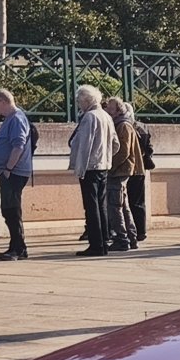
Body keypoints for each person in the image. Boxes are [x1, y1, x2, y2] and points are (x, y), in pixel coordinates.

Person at [68, 84, 118, 257]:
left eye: (79, 100)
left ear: (86, 100)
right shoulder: (105, 116)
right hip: (103, 165)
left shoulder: (90, 117)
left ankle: (96, 244)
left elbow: (85, 146)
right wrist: (107, 157)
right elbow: (115, 143)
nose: (78, 104)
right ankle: (104, 241)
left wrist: (79, 169)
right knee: (101, 205)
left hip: (90, 167)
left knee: (91, 206)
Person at [0, 88, 33, 260]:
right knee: (8, 210)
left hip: (13, 172)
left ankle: (19, 248)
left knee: (12, 210)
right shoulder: (11, 119)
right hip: (10, 172)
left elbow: (18, 145)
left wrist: (8, 168)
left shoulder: (16, 118)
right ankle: (15, 246)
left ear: (3, 101)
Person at [103, 96, 143, 251]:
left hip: (120, 171)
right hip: (122, 170)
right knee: (122, 204)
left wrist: (110, 166)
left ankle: (122, 238)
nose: (108, 110)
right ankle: (130, 237)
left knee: (115, 205)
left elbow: (123, 151)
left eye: (111, 108)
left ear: (118, 110)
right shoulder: (121, 124)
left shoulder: (123, 125)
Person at [125, 102, 151, 243]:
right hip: (141, 168)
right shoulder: (143, 127)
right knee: (139, 202)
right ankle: (141, 231)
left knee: (127, 202)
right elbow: (150, 149)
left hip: (130, 168)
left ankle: (132, 231)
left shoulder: (126, 127)